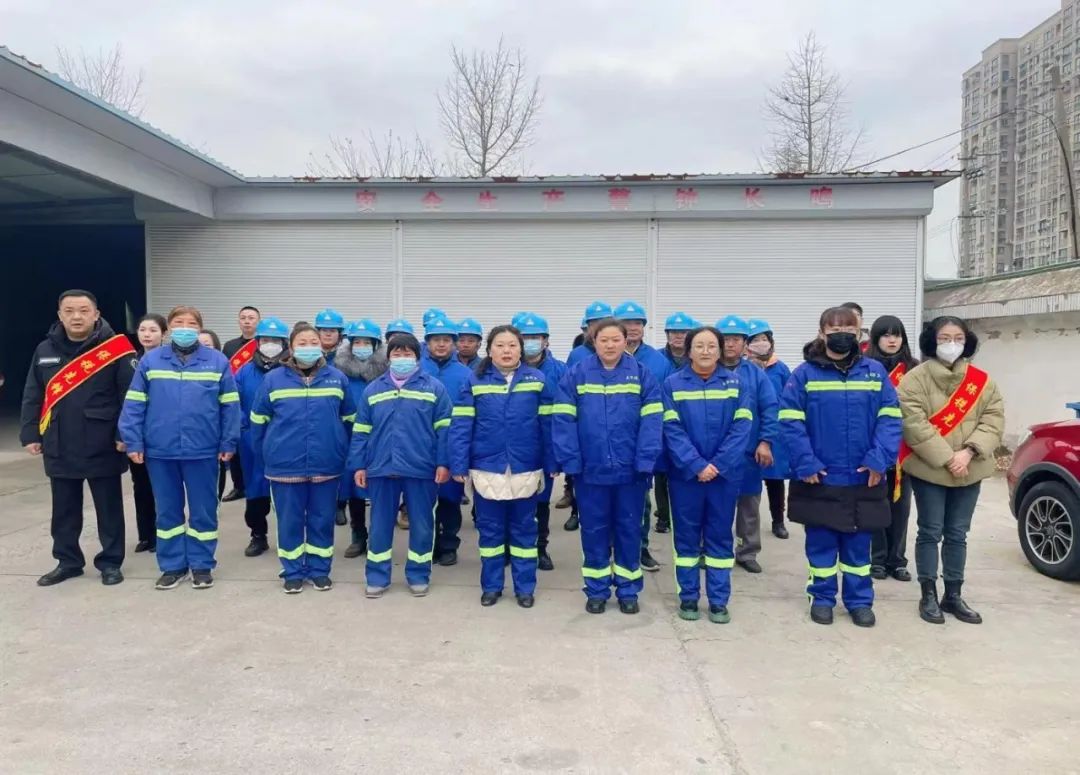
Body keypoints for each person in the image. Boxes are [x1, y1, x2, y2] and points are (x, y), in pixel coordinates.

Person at [779, 306, 901, 627]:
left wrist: (879, 459)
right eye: (834, 330)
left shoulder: (874, 372)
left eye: (849, 329)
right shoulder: (804, 375)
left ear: (860, 333)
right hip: (820, 476)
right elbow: (790, 422)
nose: (842, 335)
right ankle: (821, 597)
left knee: (859, 548)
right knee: (821, 545)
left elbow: (890, 418)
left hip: (863, 476)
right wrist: (805, 461)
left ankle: (859, 601)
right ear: (822, 334)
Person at [119, 305, 241, 591]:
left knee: (203, 511)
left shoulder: (217, 361)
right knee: (167, 512)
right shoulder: (151, 362)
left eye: (191, 324)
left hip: (203, 450)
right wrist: (133, 440)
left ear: (200, 328)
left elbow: (230, 405)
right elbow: (134, 404)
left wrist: (229, 440)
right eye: (178, 323)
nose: (185, 328)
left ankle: (201, 564)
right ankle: (172, 566)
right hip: (160, 451)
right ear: (169, 328)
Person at [20, 289, 136, 587]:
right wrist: (30, 432)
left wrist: (125, 433)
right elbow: (33, 393)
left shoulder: (117, 349)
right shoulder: (45, 349)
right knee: (64, 509)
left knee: (108, 509)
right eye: (69, 311)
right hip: (59, 441)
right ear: (59, 315)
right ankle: (68, 561)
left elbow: (129, 396)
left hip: (103, 441)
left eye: (84, 311)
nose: (76, 317)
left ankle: (110, 562)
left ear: (96, 314)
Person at [898, 316, 1004, 625]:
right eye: (944, 338)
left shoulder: (982, 381)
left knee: (958, 533)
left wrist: (968, 452)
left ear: (967, 342)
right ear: (932, 341)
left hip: (970, 467)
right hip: (930, 469)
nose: (951, 344)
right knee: (930, 531)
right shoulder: (914, 380)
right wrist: (947, 457)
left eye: (958, 338)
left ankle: (953, 594)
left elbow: (994, 419)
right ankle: (928, 593)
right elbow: (912, 424)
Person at [553, 318, 663, 615]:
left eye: (616, 339)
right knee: (594, 531)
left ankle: (628, 590)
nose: (610, 345)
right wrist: (571, 460)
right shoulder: (577, 374)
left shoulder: (641, 374)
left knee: (629, 529)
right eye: (604, 340)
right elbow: (563, 420)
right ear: (594, 342)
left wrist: (645, 460)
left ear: (626, 341)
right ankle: (597, 589)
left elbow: (653, 422)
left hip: (631, 472)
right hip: (591, 471)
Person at [449, 325, 557, 608]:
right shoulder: (474, 380)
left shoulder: (537, 380)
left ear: (520, 349)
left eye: (512, 345)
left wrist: (552, 461)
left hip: (526, 466)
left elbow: (548, 425)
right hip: (487, 466)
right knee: (491, 532)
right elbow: (461, 425)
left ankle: (525, 588)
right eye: (500, 345)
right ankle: (492, 586)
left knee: (525, 531)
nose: (506, 351)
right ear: (489, 350)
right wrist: (459, 464)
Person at [249, 325, 356, 593]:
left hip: (327, 464)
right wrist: (267, 455)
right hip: (284, 465)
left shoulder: (337, 379)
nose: (308, 347)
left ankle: (320, 570)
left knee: (322, 519)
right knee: (289, 521)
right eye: (302, 342)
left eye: (313, 342)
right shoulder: (273, 380)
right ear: (292, 347)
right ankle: (293, 571)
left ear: (321, 346)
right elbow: (258, 422)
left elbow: (349, 421)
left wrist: (341, 451)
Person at [348, 333, 452, 598]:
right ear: (388, 357)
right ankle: (377, 577)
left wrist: (443, 462)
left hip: (422, 468)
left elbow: (444, 430)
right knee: (380, 525)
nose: (402, 358)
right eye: (397, 354)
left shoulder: (434, 388)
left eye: (408, 354)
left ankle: (418, 575)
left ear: (417, 357)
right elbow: (361, 431)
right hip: (381, 468)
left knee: (422, 524)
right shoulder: (374, 389)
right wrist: (359, 465)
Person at [662, 325, 754, 623]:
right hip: (685, 476)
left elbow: (742, 428)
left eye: (711, 346)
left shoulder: (736, 384)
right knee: (686, 537)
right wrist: (696, 465)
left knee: (719, 536)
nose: (705, 351)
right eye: (699, 346)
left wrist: (718, 465)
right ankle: (688, 597)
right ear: (688, 351)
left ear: (720, 350)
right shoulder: (672, 384)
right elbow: (671, 428)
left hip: (724, 477)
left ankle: (718, 600)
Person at [716, 315, 779, 574]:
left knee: (748, 506)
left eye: (736, 339)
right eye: (725, 339)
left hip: (748, 453)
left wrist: (765, 441)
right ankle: (714, 549)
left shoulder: (756, 374)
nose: (730, 344)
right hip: (715, 454)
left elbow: (770, 408)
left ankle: (746, 551)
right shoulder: (705, 370)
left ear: (745, 344)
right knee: (716, 506)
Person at [614, 300, 672, 573]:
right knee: (607, 505)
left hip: (642, 442)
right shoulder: (602, 359)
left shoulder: (658, 362)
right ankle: (611, 550)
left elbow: (664, 404)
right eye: (627, 323)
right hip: (609, 442)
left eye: (638, 323)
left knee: (641, 502)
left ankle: (641, 548)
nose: (633, 327)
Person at [866, 315, 920, 582]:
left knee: (901, 506)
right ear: (876, 339)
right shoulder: (866, 367)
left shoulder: (914, 369)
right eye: (886, 335)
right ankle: (877, 559)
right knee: (876, 504)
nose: (892, 340)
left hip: (904, 449)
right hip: (874, 445)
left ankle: (897, 560)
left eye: (896, 335)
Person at [235, 316, 290, 558]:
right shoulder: (245, 371)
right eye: (266, 340)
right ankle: (258, 535)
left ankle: (289, 537)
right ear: (257, 342)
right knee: (255, 489)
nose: (270, 345)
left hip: (284, 441)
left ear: (284, 344)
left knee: (288, 492)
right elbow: (233, 402)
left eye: (275, 340)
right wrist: (243, 426)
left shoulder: (292, 372)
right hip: (252, 442)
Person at [420, 314, 473, 566]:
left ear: (454, 343)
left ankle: (449, 544)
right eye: (436, 340)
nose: (441, 344)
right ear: (427, 342)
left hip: (453, 445)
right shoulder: (416, 370)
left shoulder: (465, 374)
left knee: (450, 498)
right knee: (423, 500)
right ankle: (426, 545)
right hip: (421, 445)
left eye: (446, 340)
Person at [334, 318, 388, 558]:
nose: (362, 346)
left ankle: (378, 536)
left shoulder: (387, 374)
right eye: (358, 342)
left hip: (381, 439)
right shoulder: (339, 373)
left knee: (380, 491)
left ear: (376, 346)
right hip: (350, 439)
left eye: (367, 342)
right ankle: (358, 536)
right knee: (354, 489)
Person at [521, 313, 567, 571]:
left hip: (547, 447)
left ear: (546, 340)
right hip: (516, 448)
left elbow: (568, 413)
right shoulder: (503, 369)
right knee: (513, 502)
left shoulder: (561, 371)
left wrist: (560, 453)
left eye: (535, 337)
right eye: (525, 337)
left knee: (541, 500)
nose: (530, 342)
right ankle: (512, 548)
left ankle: (540, 548)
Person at [746, 318, 793, 540]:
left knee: (775, 479)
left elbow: (790, 398)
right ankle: (746, 525)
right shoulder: (742, 368)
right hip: (748, 430)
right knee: (747, 483)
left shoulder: (780, 368)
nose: (760, 343)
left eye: (764, 339)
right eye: (755, 340)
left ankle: (778, 521)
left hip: (774, 432)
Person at [131, 313, 167, 553]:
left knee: (161, 488)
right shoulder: (129, 361)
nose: (147, 334)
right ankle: (145, 535)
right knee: (140, 485)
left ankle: (161, 534)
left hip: (160, 434)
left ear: (163, 334)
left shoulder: (168, 360)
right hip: (137, 434)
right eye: (143, 329)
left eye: (153, 330)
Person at [222, 306, 261, 503]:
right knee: (236, 447)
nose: (247, 321)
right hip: (235, 397)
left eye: (251, 318)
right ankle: (239, 486)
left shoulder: (263, 343)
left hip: (255, 397)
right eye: (243, 317)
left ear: (258, 321)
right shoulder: (230, 346)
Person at [565, 301, 613, 367]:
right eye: (595, 323)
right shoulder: (576, 355)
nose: (600, 327)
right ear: (589, 327)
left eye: (604, 322)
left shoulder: (620, 351)